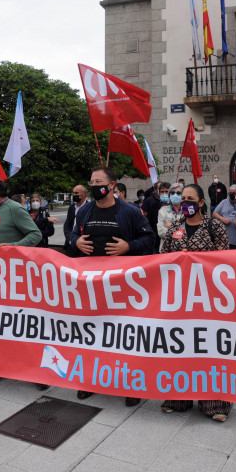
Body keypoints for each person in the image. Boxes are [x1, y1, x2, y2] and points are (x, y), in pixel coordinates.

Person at [65, 166, 155, 405]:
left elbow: (149, 238)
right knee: (91, 333)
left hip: (123, 285)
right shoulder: (84, 211)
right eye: (91, 181)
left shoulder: (130, 211)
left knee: (126, 335)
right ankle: (90, 381)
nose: (94, 186)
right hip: (93, 286)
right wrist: (76, 242)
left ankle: (131, 384)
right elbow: (72, 235)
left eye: (99, 182)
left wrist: (128, 247)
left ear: (113, 185)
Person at [159, 183, 231, 421]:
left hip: (207, 298)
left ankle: (215, 403)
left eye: (191, 199)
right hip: (180, 298)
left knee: (208, 348)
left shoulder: (214, 226)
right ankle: (178, 398)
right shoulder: (175, 228)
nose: (185, 202)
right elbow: (164, 257)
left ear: (201, 203)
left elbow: (226, 261)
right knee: (180, 346)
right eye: (183, 198)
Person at [0, 176, 44, 386]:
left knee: (23, 325)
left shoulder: (14, 208)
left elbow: (35, 234)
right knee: (0, 324)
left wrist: (12, 247)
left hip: (15, 278)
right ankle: (2, 366)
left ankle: (38, 372)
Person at [212, 183, 236, 248]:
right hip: (225, 237)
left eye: (234, 193)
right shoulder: (224, 202)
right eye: (230, 193)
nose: (231, 195)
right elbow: (214, 214)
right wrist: (222, 219)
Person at [157, 183, 185, 251]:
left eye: (178, 193)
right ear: (169, 195)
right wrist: (179, 231)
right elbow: (161, 232)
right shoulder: (162, 211)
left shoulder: (187, 211)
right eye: (172, 193)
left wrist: (171, 226)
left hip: (182, 250)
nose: (175, 195)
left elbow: (188, 232)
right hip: (166, 250)